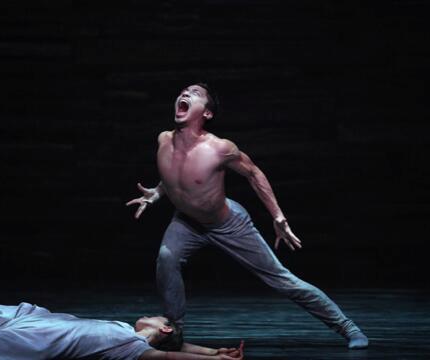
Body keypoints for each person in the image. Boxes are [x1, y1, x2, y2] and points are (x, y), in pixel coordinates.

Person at [126, 83, 369, 349]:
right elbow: (178, 178)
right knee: (166, 257)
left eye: (194, 93)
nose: (184, 94)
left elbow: (254, 174)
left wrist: (278, 217)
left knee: (282, 280)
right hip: (186, 223)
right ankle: (175, 332)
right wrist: (157, 193)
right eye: (183, 91)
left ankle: (347, 327)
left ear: (206, 113)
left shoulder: (219, 148)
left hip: (227, 224)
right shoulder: (163, 140)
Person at [0, 302, 243, 360]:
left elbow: (169, 354)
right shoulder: (127, 331)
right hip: (27, 316)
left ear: (164, 327)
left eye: (157, 316)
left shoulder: (128, 351)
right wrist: (212, 350)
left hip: (25, 343)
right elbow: (179, 346)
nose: (149, 314)